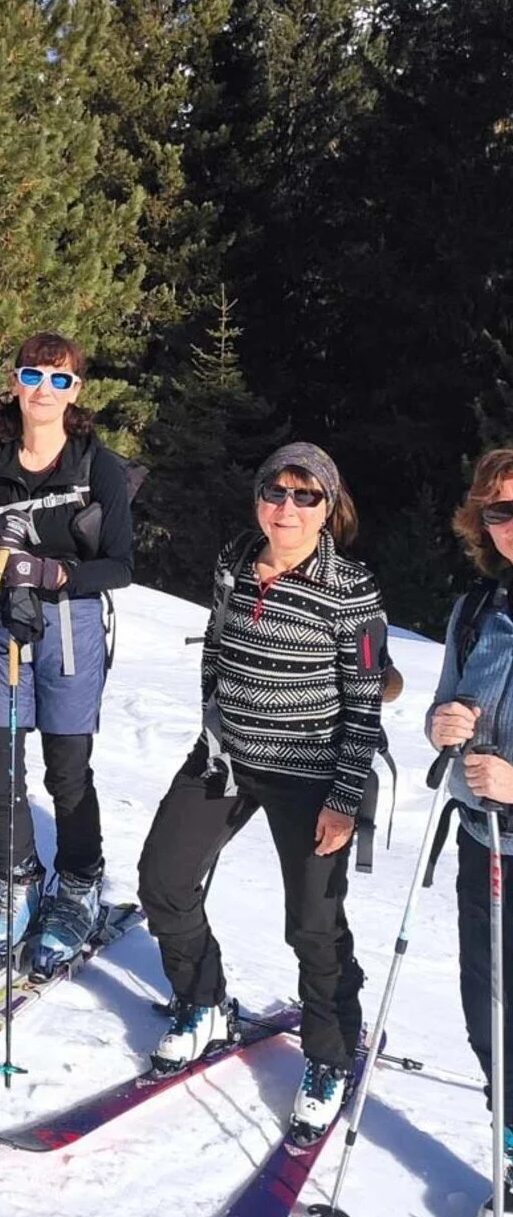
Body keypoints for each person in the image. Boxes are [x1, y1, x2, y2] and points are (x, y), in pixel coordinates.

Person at [138, 442, 387, 1141]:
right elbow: (217, 647)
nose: (287, 508)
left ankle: (331, 1053)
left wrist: (344, 798)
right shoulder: (236, 559)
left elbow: (364, 703)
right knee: (164, 878)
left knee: (312, 921)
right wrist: (211, 724)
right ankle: (204, 999)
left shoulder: (350, 587)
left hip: (312, 773)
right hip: (227, 757)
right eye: (275, 492)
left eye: (305, 496)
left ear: (329, 508)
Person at [0, 332, 133, 975]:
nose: (44, 391)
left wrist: (54, 574)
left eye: (60, 380)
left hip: (70, 630)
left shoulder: (96, 464)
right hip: (0, 624)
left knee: (66, 769)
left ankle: (79, 881)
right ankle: (16, 879)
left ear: (76, 391)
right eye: (34, 376)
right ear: (15, 380)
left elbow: (120, 565)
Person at [427, 447, 513, 1217]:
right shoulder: (478, 609)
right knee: (487, 1011)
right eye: (499, 512)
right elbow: (442, 705)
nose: (511, 526)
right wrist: (441, 724)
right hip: (485, 840)